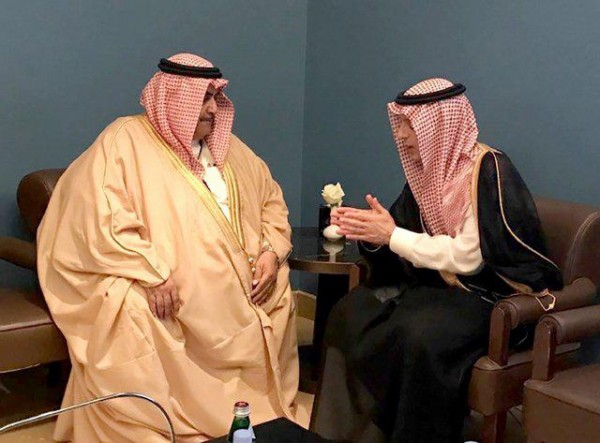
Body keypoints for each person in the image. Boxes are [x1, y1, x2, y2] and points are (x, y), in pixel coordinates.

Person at [37, 53, 307, 442]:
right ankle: (169, 418)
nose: (213, 109)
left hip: (245, 290)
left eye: (215, 98)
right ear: (175, 99)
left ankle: (254, 410)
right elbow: (97, 217)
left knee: (279, 284)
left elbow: (271, 203)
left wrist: (270, 252)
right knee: (130, 309)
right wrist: (150, 273)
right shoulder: (124, 141)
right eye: (203, 99)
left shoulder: (232, 149)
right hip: (171, 292)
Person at [310, 78, 563, 443]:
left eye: (410, 125)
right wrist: (372, 234)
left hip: (489, 296)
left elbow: (468, 258)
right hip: (438, 290)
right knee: (348, 312)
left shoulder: (488, 170)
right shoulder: (424, 176)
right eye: (400, 125)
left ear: (441, 124)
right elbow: (399, 235)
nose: (402, 136)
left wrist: (391, 236)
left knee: (418, 336)